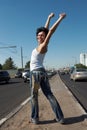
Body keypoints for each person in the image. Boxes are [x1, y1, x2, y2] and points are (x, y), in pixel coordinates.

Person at [30, 12, 66, 124]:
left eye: (42, 36)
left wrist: (60, 19)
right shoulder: (41, 44)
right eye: (38, 35)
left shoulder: (43, 45)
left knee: (34, 97)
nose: (39, 36)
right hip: (43, 73)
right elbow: (46, 30)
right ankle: (60, 118)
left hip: (35, 74)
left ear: (45, 38)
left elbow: (50, 31)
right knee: (49, 95)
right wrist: (48, 18)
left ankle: (35, 118)